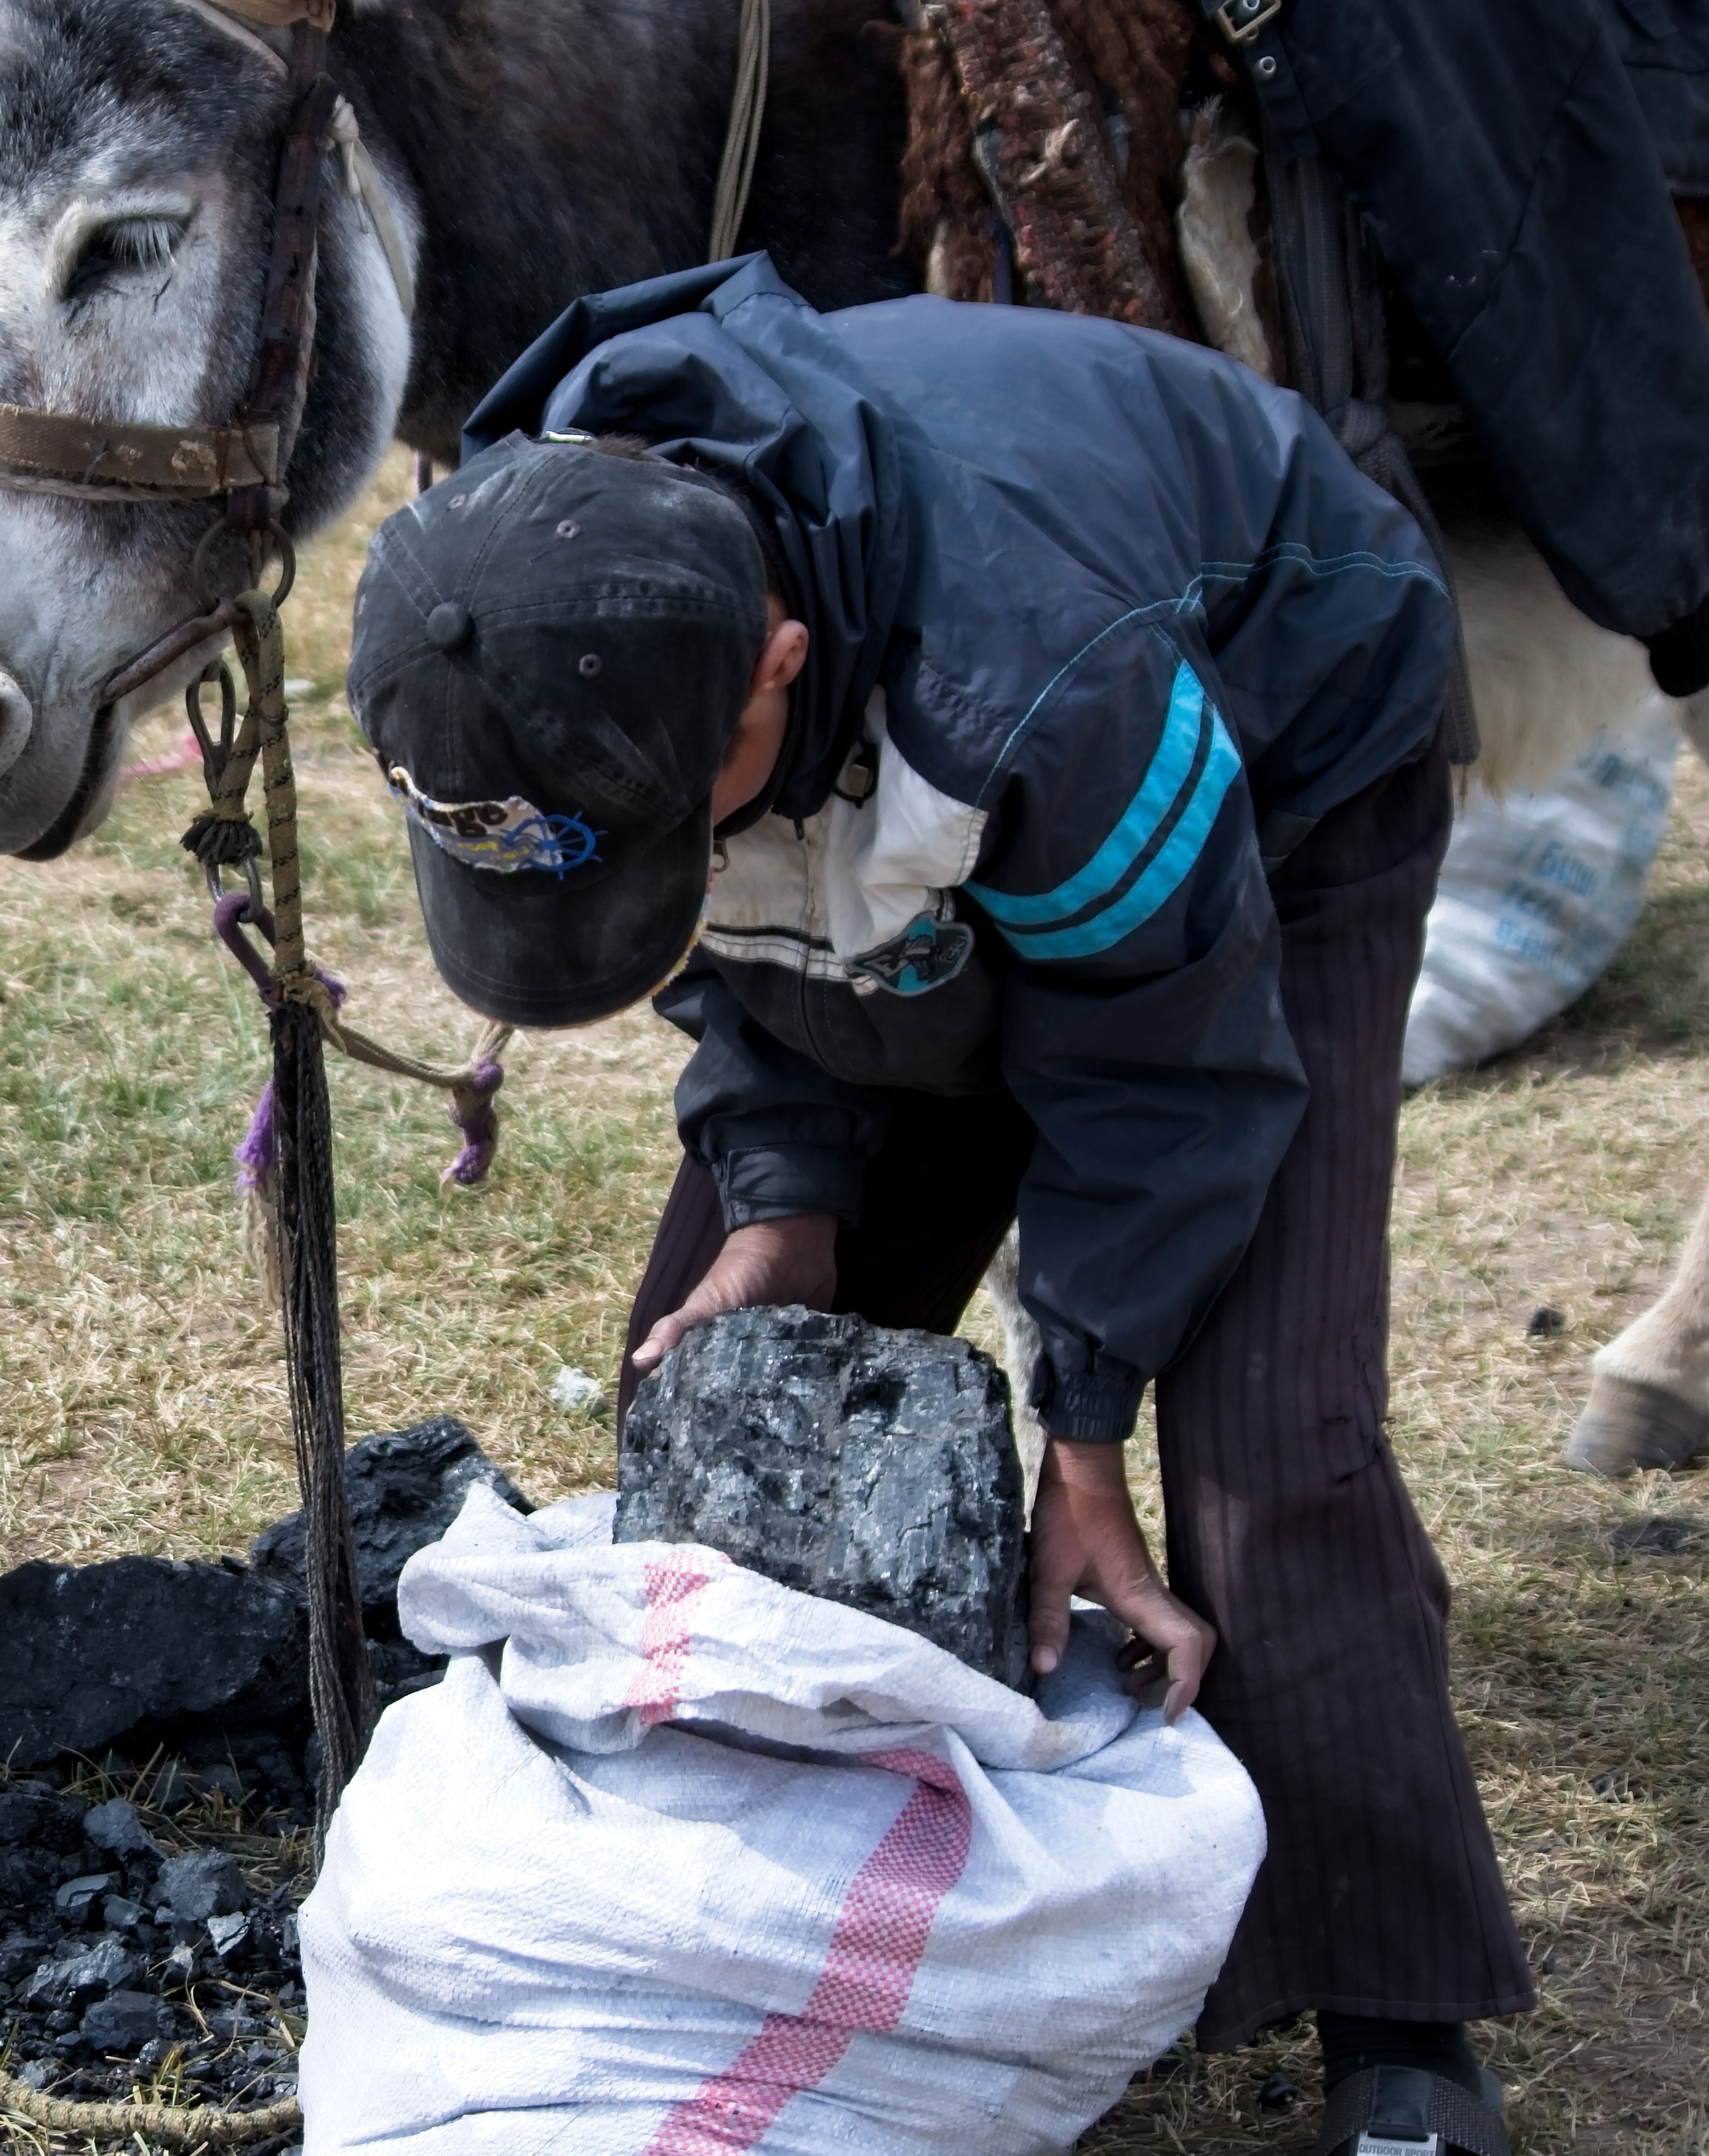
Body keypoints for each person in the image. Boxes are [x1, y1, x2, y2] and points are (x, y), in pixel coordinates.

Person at [343, 257, 1529, 2156]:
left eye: (692, 817)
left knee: (1258, 1434)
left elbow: (1164, 1071)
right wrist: (784, 1193)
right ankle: (803, 1918)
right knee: (745, 1379)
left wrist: (1081, 1430)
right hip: (905, 771)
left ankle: (1385, 2008)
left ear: (777, 665)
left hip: (1274, 767)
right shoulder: (526, 600)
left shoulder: (1026, 678)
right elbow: (706, 920)